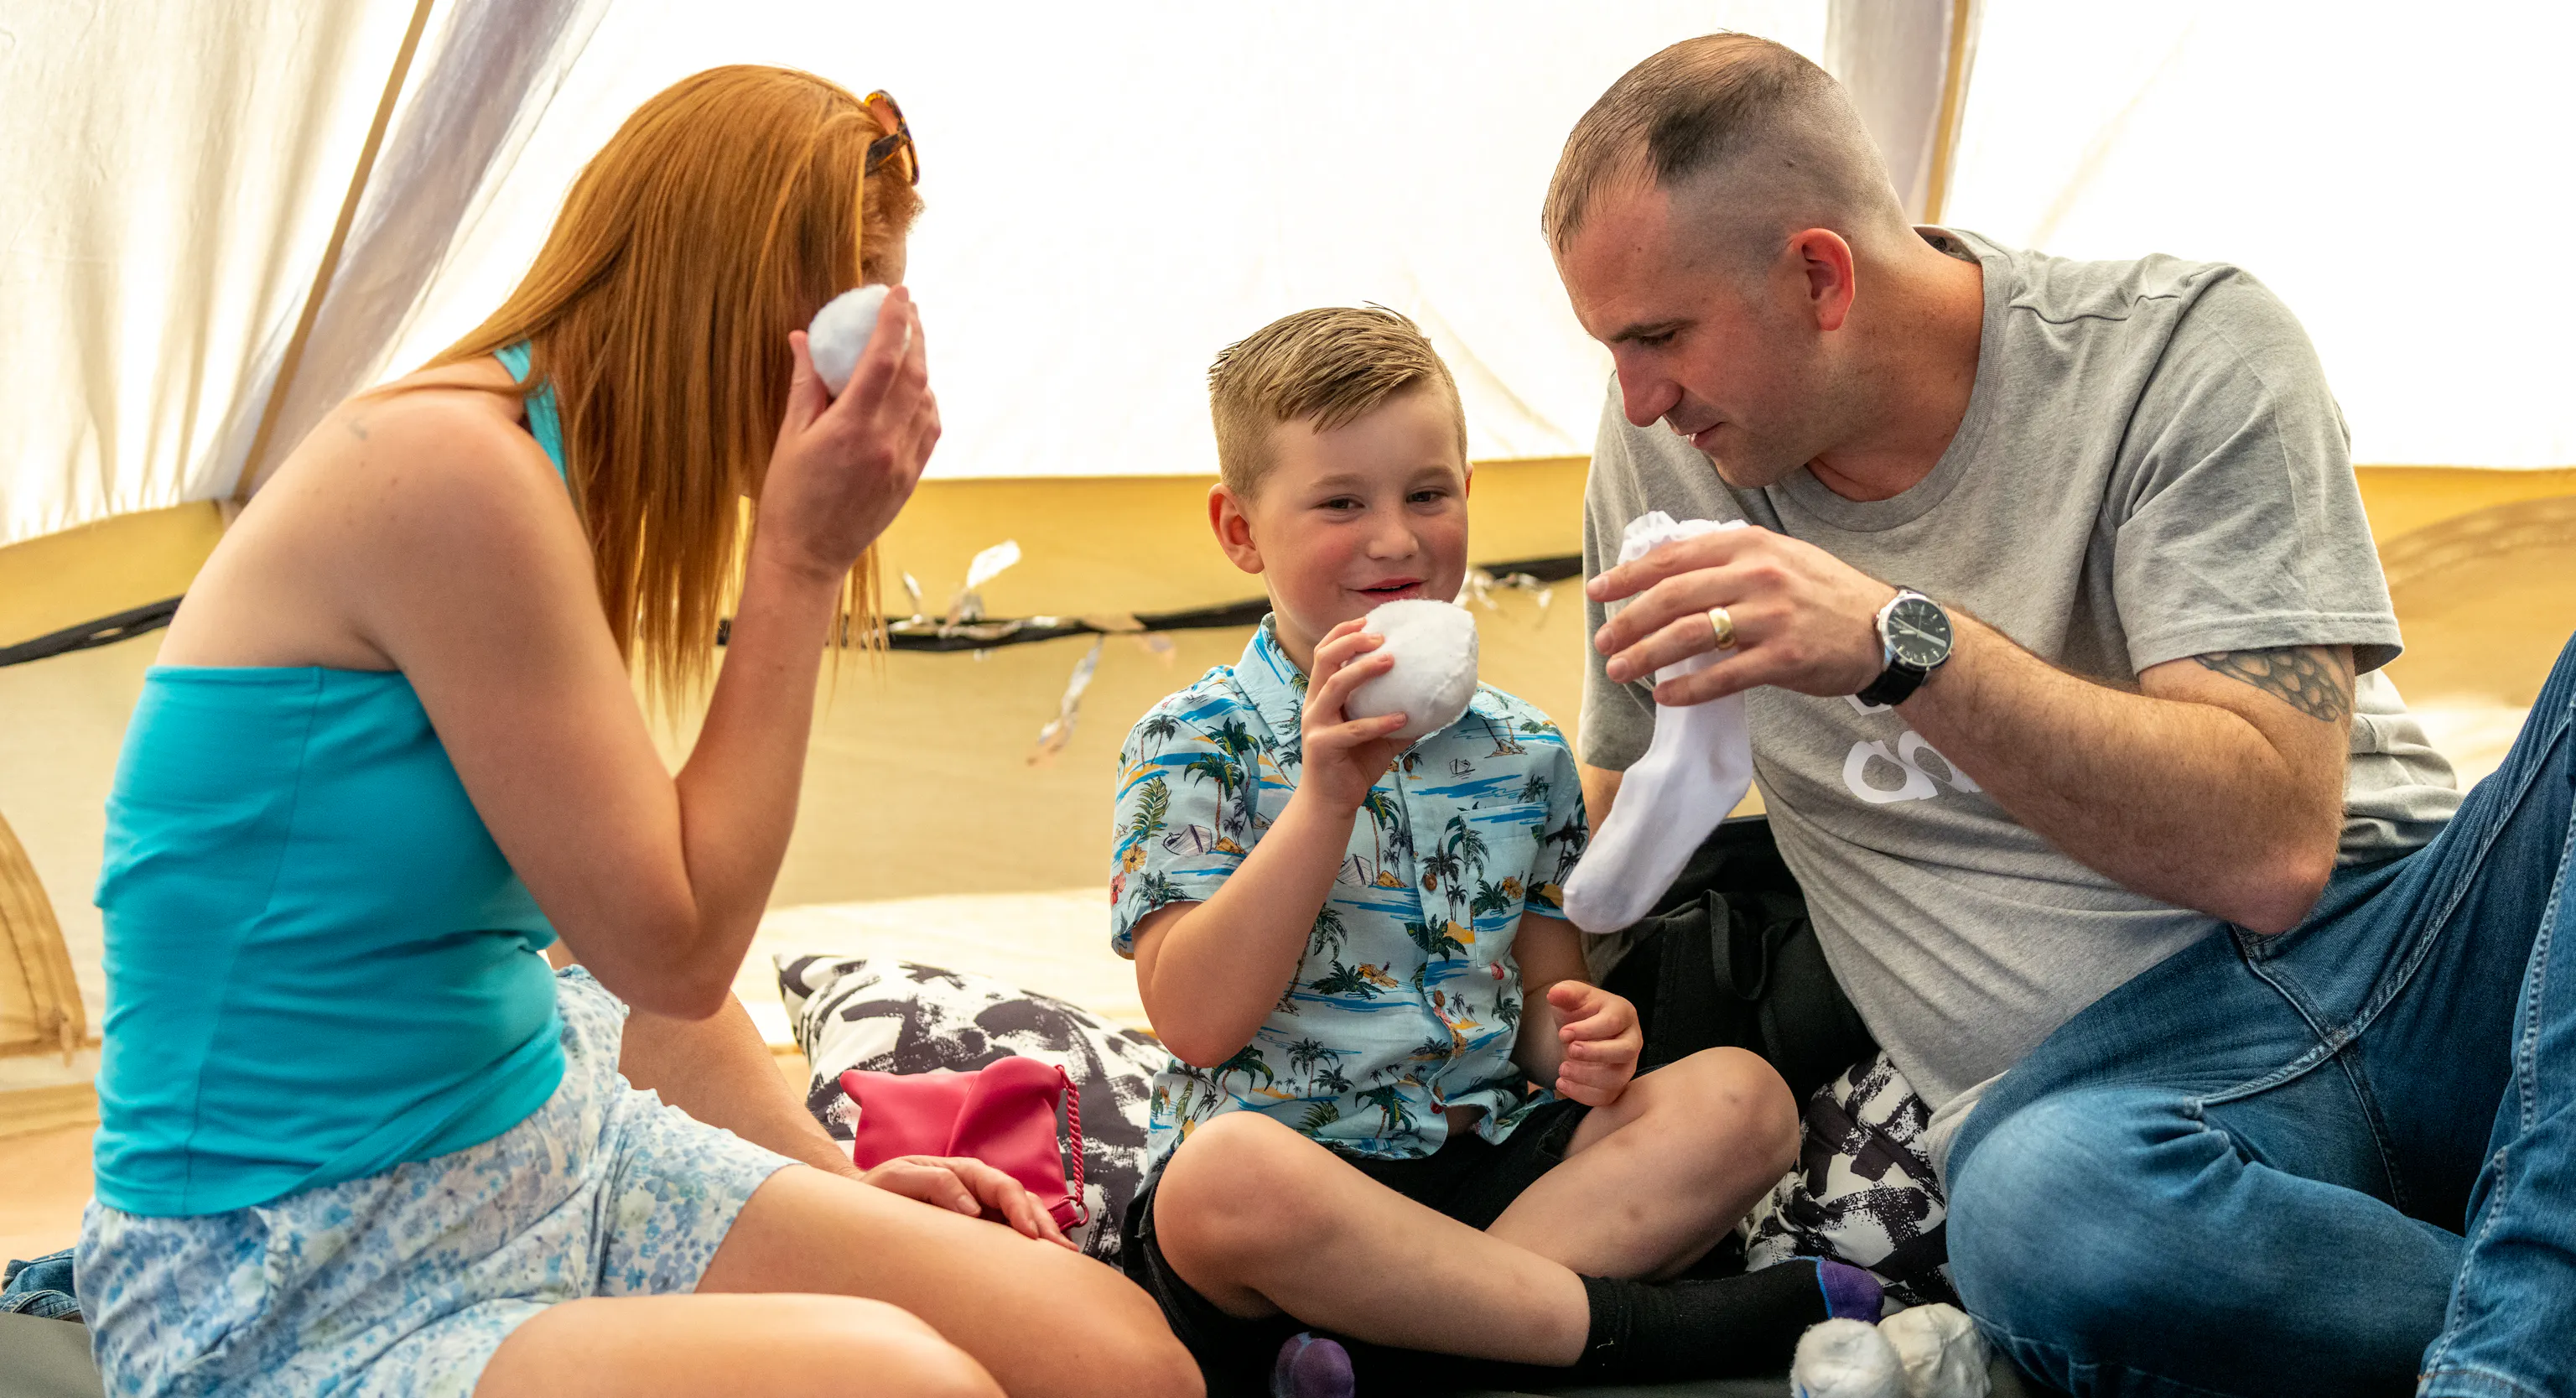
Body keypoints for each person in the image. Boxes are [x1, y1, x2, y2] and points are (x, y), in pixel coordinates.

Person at [81, 66, 1197, 1398]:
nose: (872, 375)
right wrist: (799, 560)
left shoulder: (558, 483)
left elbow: (586, 953)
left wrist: (824, 1176)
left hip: (557, 1154)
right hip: (302, 1269)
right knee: (909, 1385)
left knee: (1123, 1362)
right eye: (857, 317)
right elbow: (670, 944)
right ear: (739, 300)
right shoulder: (454, 477)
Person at [1547, 32, 2574, 1398]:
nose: (1637, 395)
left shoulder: (2182, 352)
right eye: (1611, 348)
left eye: (1659, 337)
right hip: (2111, 1115)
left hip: (2415, 960)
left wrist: (1895, 645)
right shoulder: (1664, 458)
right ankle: (2519, 1316)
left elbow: (2270, 852)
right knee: (2033, 1214)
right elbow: (1619, 816)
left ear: (1819, 273)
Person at [1107, 306, 1886, 1398]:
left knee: (1743, 1100)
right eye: (1342, 502)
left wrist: (1577, 1040)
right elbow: (1192, 1018)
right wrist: (1327, 796)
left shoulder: (1522, 749)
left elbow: (1537, 1000)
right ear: (1240, 531)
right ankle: (1645, 1331)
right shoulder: (1195, 741)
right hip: (1292, 1202)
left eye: (1428, 492)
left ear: (1470, 492)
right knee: (1221, 1180)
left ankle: (1388, 1355)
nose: (1395, 537)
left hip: (1493, 1176)